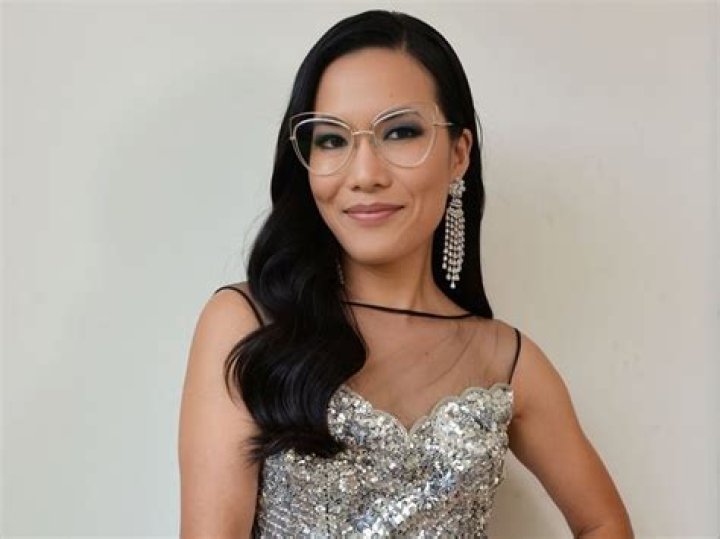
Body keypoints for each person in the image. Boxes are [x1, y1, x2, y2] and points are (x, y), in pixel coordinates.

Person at [178, 9, 633, 538]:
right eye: (332, 139)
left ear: (458, 154)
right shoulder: (248, 324)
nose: (364, 174)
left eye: (399, 132)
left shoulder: (506, 362)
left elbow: (604, 524)